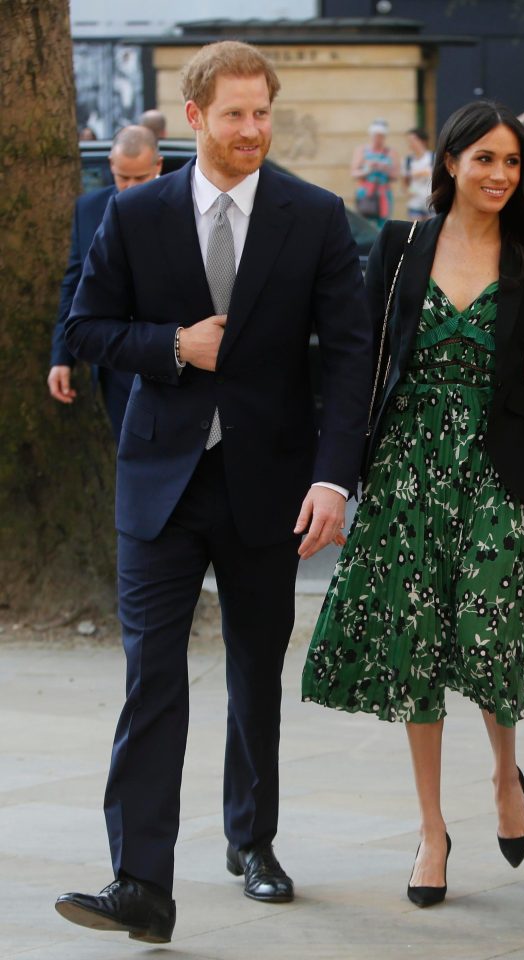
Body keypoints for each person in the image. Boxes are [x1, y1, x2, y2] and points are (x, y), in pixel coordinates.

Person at [54, 40, 372, 943]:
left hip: (270, 483)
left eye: (262, 111)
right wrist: (171, 348)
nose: (251, 129)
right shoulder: (140, 211)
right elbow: (86, 325)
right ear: (194, 118)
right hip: (159, 479)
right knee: (152, 676)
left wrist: (331, 477)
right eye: (233, 113)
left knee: (254, 671)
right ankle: (140, 881)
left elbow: (349, 356)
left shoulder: (313, 216)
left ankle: (254, 841)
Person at [303, 100, 524, 908]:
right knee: (414, 643)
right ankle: (431, 829)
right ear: (451, 162)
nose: (500, 174)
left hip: (495, 468)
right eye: (485, 159)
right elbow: (363, 361)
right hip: (403, 468)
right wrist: (336, 472)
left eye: (513, 162)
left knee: (492, 632)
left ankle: (503, 776)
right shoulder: (400, 245)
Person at [47, 125, 163, 443]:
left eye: (139, 178)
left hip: (169, 358)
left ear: (158, 166)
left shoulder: (180, 207)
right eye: (123, 177)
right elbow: (75, 284)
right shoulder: (87, 210)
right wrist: (61, 357)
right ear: (111, 164)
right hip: (114, 365)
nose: (129, 187)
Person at [351, 119, 399, 228]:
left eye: (381, 136)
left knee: (383, 225)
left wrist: (384, 168)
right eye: (376, 136)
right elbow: (354, 173)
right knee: (364, 224)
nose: (378, 139)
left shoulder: (391, 152)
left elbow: (395, 175)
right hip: (366, 193)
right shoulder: (362, 150)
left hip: (383, 194)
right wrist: (367, 169)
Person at [401, 128, 433, 220]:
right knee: (415, 231)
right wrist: (407, 191)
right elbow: (404, 181)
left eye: (413, 140)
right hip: (414, 202)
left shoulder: (433, 158)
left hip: (431, 202)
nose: (411, 143)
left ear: (422, 141)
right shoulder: (407, 161)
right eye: (409, 141)